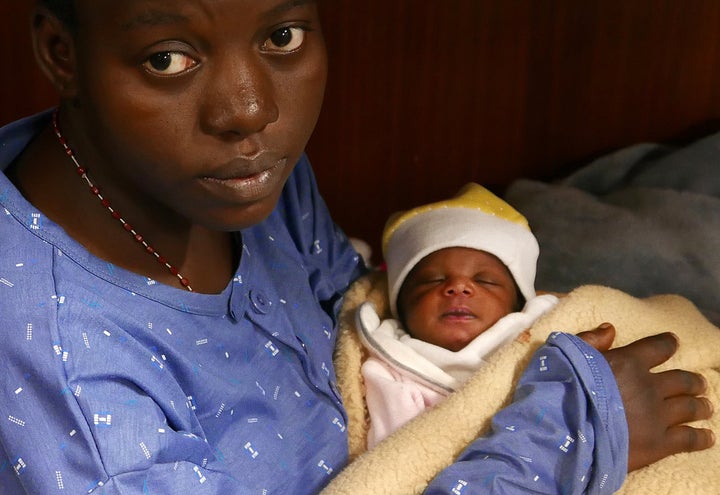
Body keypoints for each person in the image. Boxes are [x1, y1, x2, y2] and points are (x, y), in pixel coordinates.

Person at [0, 1, 712, 494]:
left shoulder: (233, 177)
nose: (250, 109)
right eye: (167, 58)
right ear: (61, 54)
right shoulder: (75, 387)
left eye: (280, 37)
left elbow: (348, 299)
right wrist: (561, 438)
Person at [357, 183, 560, 448]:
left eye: (485, 281)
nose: (458, 287)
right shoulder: (390, 366)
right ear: (401, 307)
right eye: (433, 280)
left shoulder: (543, 335)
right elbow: (393, 456)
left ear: (517, 304)